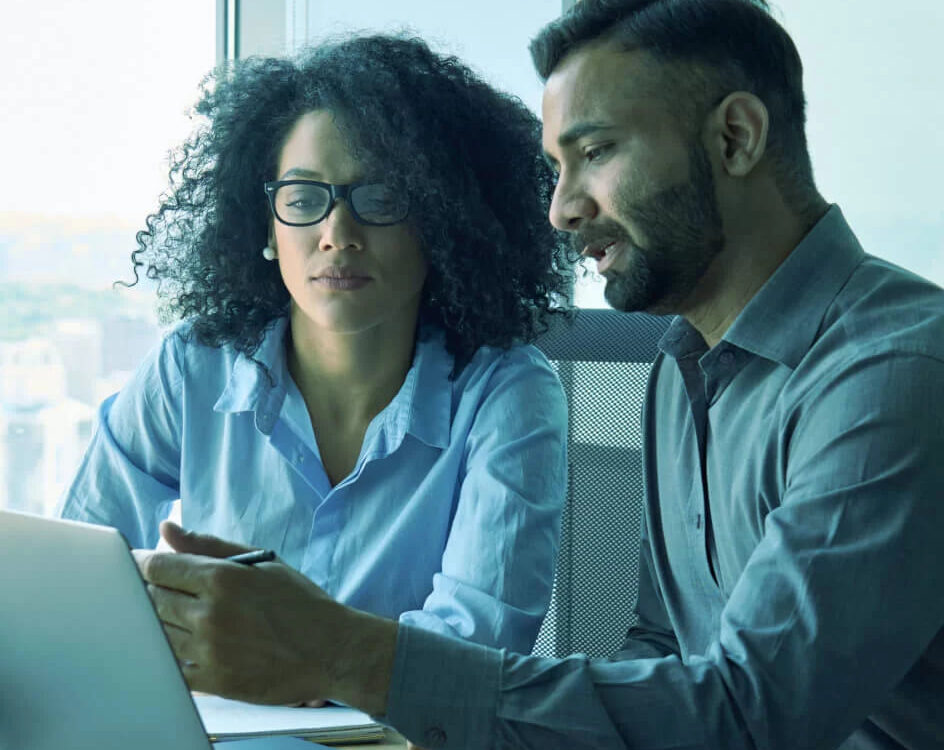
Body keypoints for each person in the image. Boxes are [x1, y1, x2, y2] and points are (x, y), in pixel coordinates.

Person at [134, 2, 944, 748]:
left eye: (596, 153)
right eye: (557, 167)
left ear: (734, 138)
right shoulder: (679, 370)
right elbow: (658, 653)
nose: (561, 209)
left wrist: (337, 650)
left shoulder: (893, 376)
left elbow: (750, 712)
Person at [59, 34, 576, 659]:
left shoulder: (508, 394)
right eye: (303, 199)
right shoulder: (191, 367)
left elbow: (474, 651)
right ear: (268, 229)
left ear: (441, 222)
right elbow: (77, 569)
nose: (337, 234)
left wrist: (299, 657)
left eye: (380, 198)